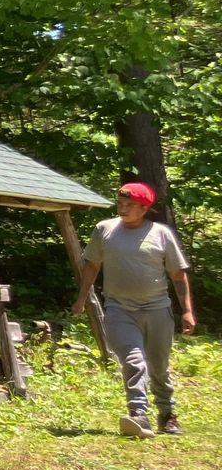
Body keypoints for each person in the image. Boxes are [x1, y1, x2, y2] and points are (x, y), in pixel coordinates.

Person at [71, 181, 196, 438]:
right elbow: (92, 265)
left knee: (158, 365)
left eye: (129, 205)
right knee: (133, 360)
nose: (123, 209)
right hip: (119, 309)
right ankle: (138, 414)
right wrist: (82, 297)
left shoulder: (160, 234)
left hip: (157, 309)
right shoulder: (104, 230)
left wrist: (187, 311)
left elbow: (177, 274)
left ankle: (167, 413)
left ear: (144, 208)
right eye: (120, 203)